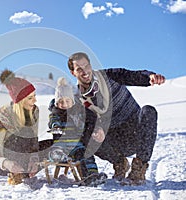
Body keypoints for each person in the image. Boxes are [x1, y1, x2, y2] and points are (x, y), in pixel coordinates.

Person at [67, 52, 166, 185]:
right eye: (79, 68)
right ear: (73, 72)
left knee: (148, 111)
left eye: (86, 66)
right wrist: (97, 128)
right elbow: (87, 122)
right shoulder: (77, 98)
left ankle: (139, 168)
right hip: (113, 140)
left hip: (135, 130)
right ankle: (119, 163)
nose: (84, 71)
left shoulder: (108, 76)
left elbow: (130, 75)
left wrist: (149, 77)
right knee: (88, 134)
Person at [47, 77, 107, 186]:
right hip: (62, 146)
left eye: (67, 101)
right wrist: (56, 126)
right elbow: (53, 121)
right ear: (56, 103)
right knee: (57, 153)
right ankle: (58, 157)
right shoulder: (56, 113)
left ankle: (92, 175)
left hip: (76, 145)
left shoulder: (77, 113)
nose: (64, 104)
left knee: (86, 155)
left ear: (72, 101)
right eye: (60, 101)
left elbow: (86, 120)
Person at [0, 69, 40, 185]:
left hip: (24, 157)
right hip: (2, 162)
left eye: (34, 96)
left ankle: (26, 169)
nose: (35, 100)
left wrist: (34, 160)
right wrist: (7, 163)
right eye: (30, 98)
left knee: (50, 145)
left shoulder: (34, 111)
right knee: (24, 132)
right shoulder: (3, 115)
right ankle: (16, 172)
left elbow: (34, 139)